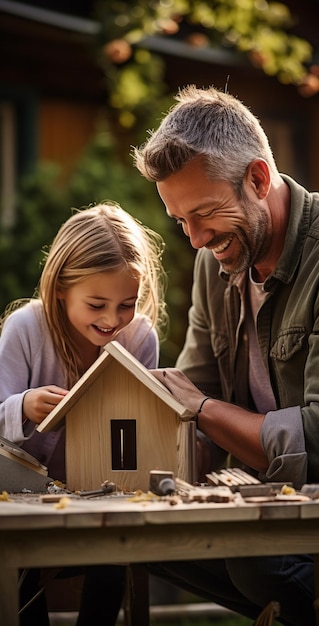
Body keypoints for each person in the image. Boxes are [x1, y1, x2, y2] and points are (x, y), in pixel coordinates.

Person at [133, 85, 319, 626]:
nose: (196, 238)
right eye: (180, 221)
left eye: (205, 213)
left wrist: (203, 411)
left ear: (257, 178)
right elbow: (192, 387)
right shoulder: (217, 262)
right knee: (137, 538)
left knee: (250, 558)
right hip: (270, 501)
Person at [0, 200, 167, 626]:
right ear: (60, 287)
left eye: (127, 303)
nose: (113, 319)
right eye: (97, 305)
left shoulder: (139, 338)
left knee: (113, 557)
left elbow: (144, 419)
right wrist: (23, 405)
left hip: (103, 493)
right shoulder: (24, 330)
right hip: (21, 502)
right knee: (19, 577)